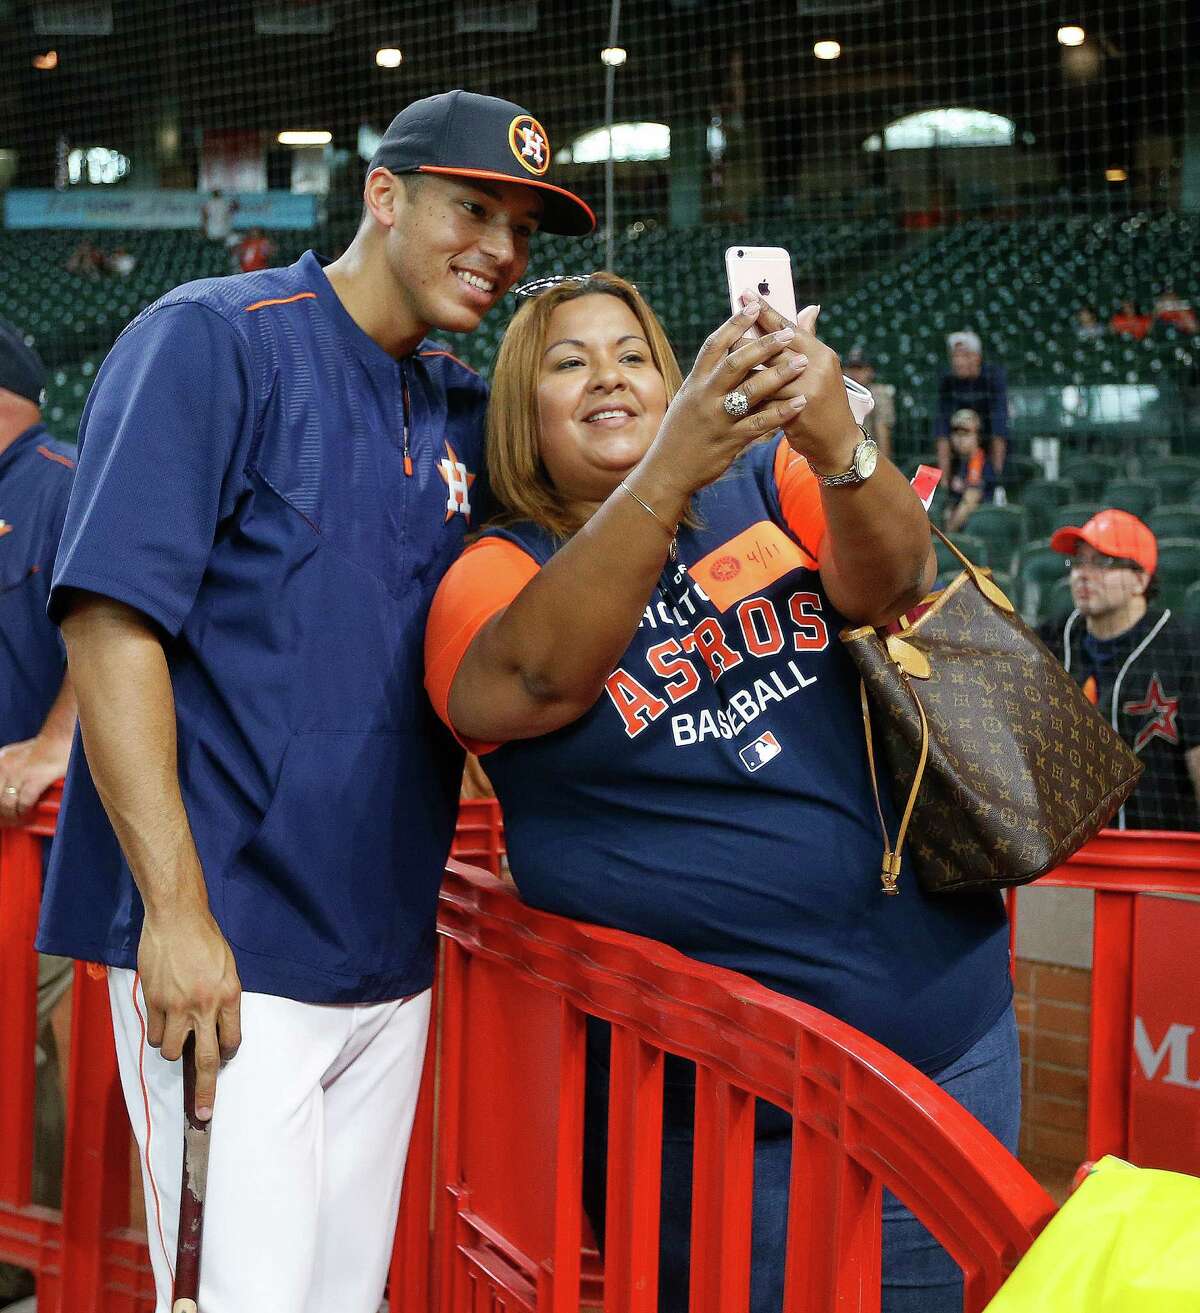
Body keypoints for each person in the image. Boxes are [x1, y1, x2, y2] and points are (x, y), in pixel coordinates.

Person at [34, 90, 594, 1313]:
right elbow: (111, 620)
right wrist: (175, 919)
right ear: (382, 197)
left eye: (522, 227)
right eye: (472, 207)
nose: (500, 248)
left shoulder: (457, 399)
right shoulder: (214, 337)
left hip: (386, 953)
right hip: (228, 952)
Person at [424, 273, 1016, 1313]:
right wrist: (671, 463)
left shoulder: (760, 482)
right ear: (523, 409)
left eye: (634, 355)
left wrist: (843, 448)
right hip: (714, 1096)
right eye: (570, 361)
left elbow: (891, 576)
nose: (608, 375)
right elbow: (523, 682)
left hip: (942, 1028)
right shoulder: (495, 568)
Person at [0, 319, 77, 1309]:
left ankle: (39, 1250)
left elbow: (123, 617)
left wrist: (59, 739)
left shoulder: (62, 480)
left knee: (45, 1051)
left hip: (50, 843)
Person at [1042, 509, 1200, 831]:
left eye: (1102, 563)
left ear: (1140, 580)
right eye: (1079, 561)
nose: (1082, 574)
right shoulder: (1052, 638)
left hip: (1161, 853)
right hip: (1071, 857)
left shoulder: (1186, 647)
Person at [933, 329, 1008, 482]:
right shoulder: (947, 382)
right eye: (955, 356)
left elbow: (999, 430)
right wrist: (944, 482)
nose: (958, 362)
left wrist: (996, 478)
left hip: (988, 453)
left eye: (965, 356)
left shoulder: (993, 378)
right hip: (957, 457)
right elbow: (942, 433)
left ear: (977, 358)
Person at [943, 407, 996, 532]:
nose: (960, 439)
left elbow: (968, 504)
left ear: (978, 436)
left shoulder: (980, 462)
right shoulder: (957, 462)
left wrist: (946, 535)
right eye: (956, 432)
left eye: (966, 433)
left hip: (981, 529)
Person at [844, 344, 895, 460]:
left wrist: (882, 469)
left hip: (868, 459)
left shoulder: (879, 394)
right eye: (851, 368)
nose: (854, 373)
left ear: (870, 371)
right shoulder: (838, 392)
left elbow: (883, 433)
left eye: (859, 368)